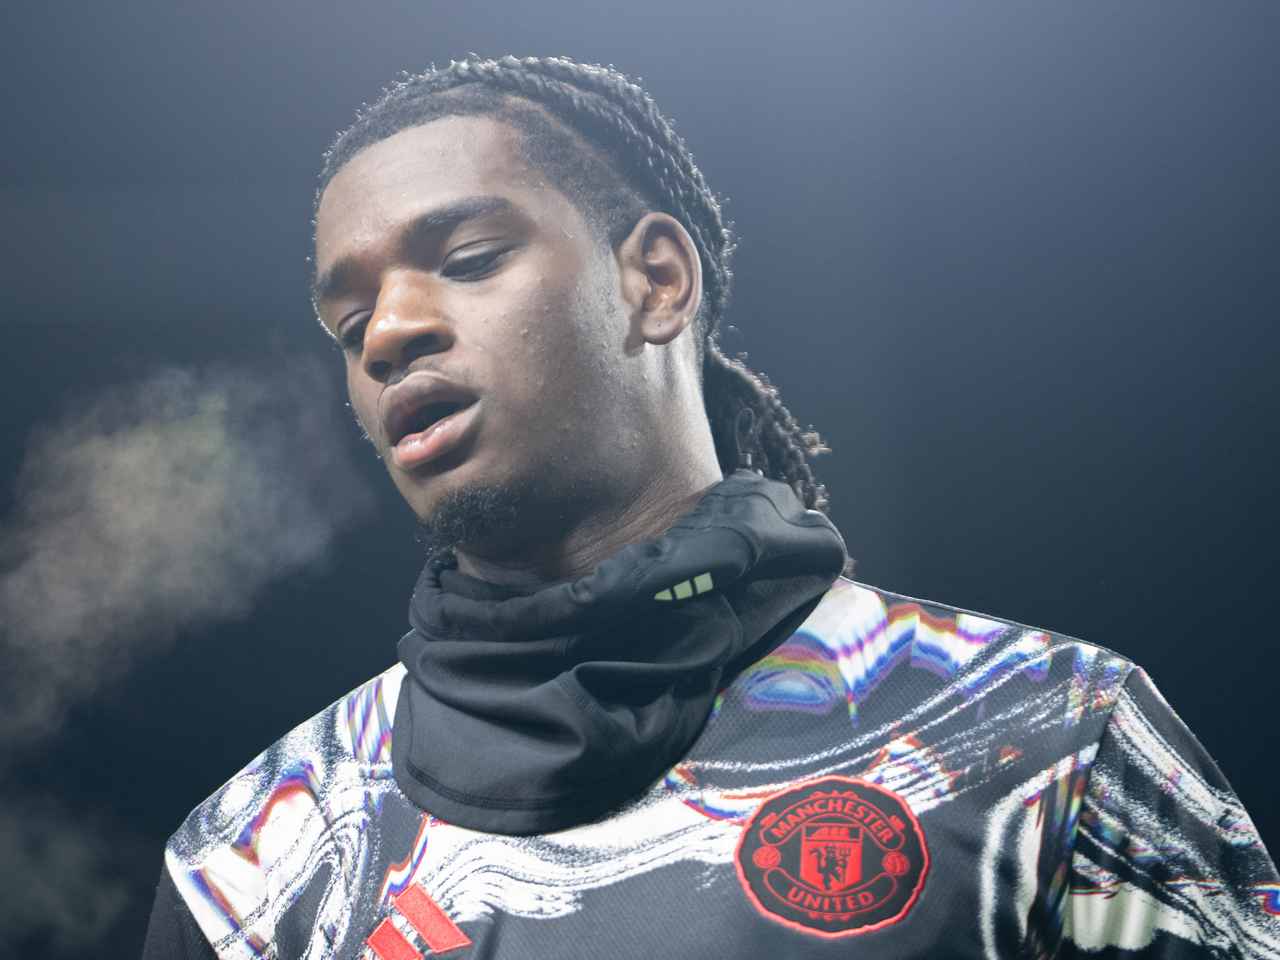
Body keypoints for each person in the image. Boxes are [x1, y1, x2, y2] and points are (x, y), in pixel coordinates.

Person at [142, 54, 1279, 959]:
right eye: (350, 326)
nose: (389, 332)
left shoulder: (1044, 734)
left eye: (471, 257)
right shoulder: (255, 867)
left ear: (656, 280)